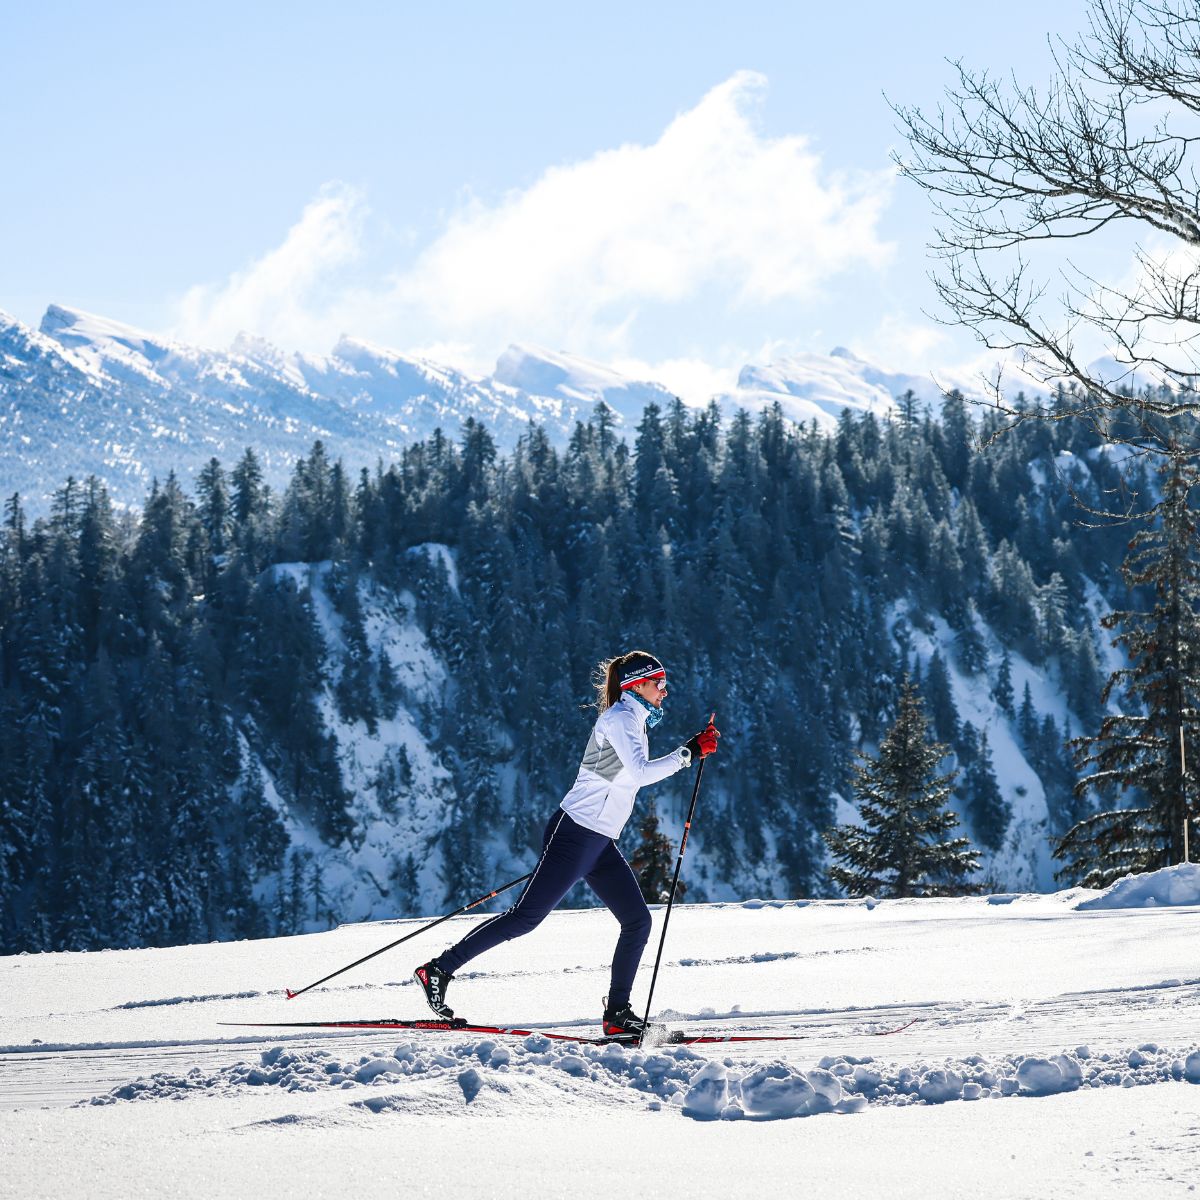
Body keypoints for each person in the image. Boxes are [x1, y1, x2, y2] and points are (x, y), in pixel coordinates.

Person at [415, 651, 719, 1040]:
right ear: (638, 684)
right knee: (525, 918)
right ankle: (439, 969)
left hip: (598, 842)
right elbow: (640, 773)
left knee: (638, 921)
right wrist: (688, 753)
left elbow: (625, 776)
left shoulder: (633, 721)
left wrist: (689, 751)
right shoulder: (620, 719)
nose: (665, 691)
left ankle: (617, 1015)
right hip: (575, 834)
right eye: (660, 683)